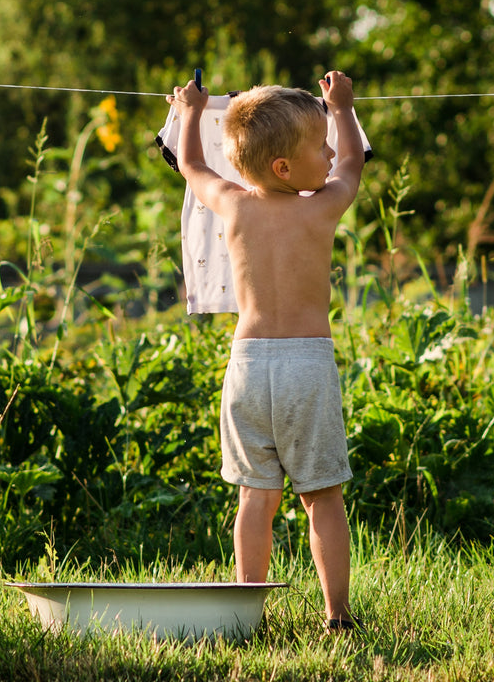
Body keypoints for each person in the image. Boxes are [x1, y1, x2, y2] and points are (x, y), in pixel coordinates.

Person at [167, 71, 365, 632]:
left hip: (248, 366)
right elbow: (353, 164)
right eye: (316, 145)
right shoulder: (320, 208)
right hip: (306, 364)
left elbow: (193, 168)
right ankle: (338, 615)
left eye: (328, 136)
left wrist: (190, 112)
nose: (328, 152)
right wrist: (343, 107)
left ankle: (245, 614)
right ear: (284, 168)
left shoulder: (233, 205)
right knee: (322, 498)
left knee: (257, 496)